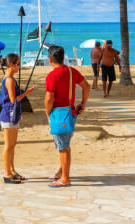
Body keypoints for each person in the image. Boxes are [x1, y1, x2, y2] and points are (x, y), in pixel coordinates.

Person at [44, 46, 90, 188]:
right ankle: (61, 172)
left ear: (50, 59)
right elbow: (86, 86)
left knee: (63, 147)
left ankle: (65, 178)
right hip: (71, 113)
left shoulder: (52, 76)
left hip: (58, 115)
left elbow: (49, 98)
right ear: (63, 57)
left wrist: (48, 113)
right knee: (64, 144)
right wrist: (83, 103)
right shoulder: (72, 71)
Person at [0, 53, 34, 184]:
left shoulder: (11, 78)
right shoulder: (9, 80)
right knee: (8, 145)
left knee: (13, 145)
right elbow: (14, 99)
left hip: (12, 114)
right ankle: (7, 173)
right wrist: (26, 93)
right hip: (8, 114)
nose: (20, 66)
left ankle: (12, 170)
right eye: (18, 64)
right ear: (12, 65)